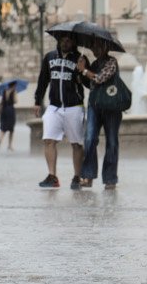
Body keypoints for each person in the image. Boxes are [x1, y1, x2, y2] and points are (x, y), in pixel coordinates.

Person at [34, 33, 87, 190]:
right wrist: (37, 101)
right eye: (63, 39)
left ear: (73, 42)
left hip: (74, 106)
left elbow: (88, 84)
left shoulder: (80, 58)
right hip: (54, 106)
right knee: (49, 140)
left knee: (76, 143)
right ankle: (52, 176)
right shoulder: (50, 57)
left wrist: (81, 72)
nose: (65, 42)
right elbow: (43, 79)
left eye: (69, 39)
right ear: (58, 41)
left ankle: (77, 176)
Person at [78, 37, 122, 190]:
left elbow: (100, 78)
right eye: (93, 47)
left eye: (98, 47)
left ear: (106, 47)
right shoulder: (94, 64)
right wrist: (81, 70)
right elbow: (89, 84)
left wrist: (84, 70)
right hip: (95, 107)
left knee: (112, 142)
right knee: (89, 139)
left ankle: (110, 178)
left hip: (111, 107)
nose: (95, 50)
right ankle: (88, 175)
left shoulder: (112, 62)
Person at [0, 81, 17, 151]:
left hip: (4, 111)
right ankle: (10, 145)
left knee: (3, 128)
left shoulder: (4, 91)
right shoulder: (14, 91)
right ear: (13, 85)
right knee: (11, 129)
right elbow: (15, 101)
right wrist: (14, 95)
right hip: (10, 110)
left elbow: (2, 101)